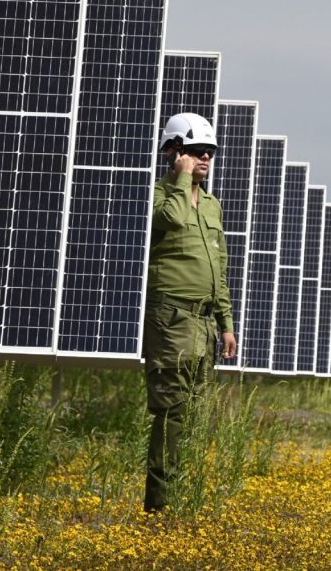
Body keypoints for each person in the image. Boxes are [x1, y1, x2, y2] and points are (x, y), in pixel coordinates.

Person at [142, 112, 237, 512]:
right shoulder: (160, 194)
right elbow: (170, 219)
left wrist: (226, 323)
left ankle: (181, 497)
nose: (205, 159)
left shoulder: (213, 206)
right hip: (171, 319)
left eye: (210, 153)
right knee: (171, 413)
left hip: (204, 323)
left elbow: (220, 268)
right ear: (175, 151)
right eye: (197, 151)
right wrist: (181, 178)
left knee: (195, 411)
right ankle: (160, 505)